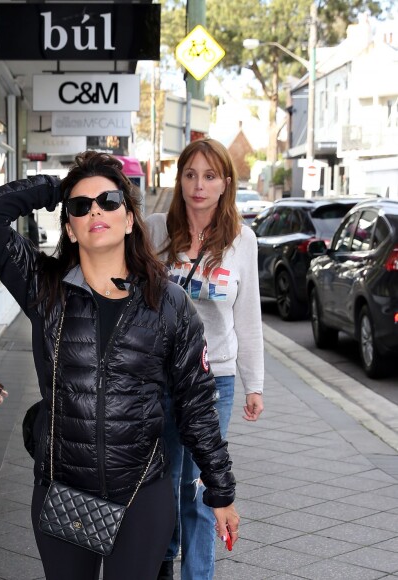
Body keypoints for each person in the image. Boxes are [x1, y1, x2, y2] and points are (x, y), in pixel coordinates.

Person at [0, 151, 239, 580]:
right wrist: (55, 188)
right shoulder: (45, 288)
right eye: (81, 206)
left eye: (109, 200)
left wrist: (221, 491)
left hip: (141, 495)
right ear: (71, 229)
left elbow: (197, 408)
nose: (95, 209)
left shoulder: (169, 303)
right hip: (63, 491)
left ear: (130, 220)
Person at [145, 139, 264, 580]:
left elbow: (247, 317)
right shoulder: (156, 230)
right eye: (190, 174)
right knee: (162, 483)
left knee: (197, 488)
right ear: (179, 180)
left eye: (210, 176)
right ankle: (161, 564)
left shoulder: (241, 241)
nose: (199, 185)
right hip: (159, 379)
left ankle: (198, 574)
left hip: (216, 380)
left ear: (225, 184)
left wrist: (255, 385)